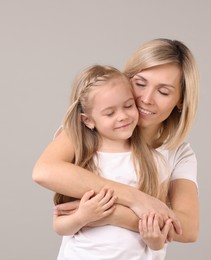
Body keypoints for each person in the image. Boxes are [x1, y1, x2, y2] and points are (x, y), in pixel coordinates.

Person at [32, 38, 200, 246]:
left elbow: (188, 228)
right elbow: (44, 171)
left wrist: (114, 215)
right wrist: (136, 199)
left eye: (163, 92)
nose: (147, 98)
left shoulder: (178, 153)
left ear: (181, 100)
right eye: (139, 84)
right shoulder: (91, 129)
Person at [52, 64, 174, 259]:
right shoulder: (83, 162)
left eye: (128, 106)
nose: (123, 116)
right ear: (88, 120)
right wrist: (83, 216)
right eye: (110, 113)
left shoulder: (154, 162)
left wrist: (154, 239)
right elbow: (60, 226)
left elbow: (160, 230)